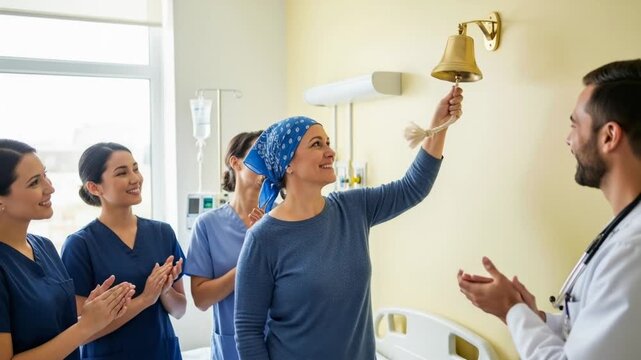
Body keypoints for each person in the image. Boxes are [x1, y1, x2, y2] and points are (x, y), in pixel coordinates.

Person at [234, 86, 463, 359]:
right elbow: (248, 332)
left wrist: (438, 126)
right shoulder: (264, 239)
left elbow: (413, 187)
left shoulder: (353, 209)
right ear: (288, 165)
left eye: (327, 142)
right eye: (316, 144)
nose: (330, 152)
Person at [457, 59, 641, 359]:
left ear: (608, 136)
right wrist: (532, 317)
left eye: (574, 125)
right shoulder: (626, 229)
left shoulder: (632, 250)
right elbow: (590, 337)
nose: (569, 139)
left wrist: (512, 309)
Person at [0, 139, 135, 360]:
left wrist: (95, 313)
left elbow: (57, 332)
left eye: (45, 175)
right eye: (35, 182)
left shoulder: (44, 247)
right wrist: (85, 327)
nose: (50, 188)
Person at [61, 142, 187, 360]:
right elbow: (80, 334)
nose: (135, 178)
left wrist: (164, 291)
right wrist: (145, 299)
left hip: (162, 352)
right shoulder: (80, 245)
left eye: (136, 169)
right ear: (94, 187)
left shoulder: (162, 233)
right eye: (122, 173)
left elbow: (179, 310)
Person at [185, 130, 265, 360]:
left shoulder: (282, 218)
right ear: (236, 162)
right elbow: (201, 299)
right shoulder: (208, 225)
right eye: (260, 153)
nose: (269, 164)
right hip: (232, 348)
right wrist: (247, 262)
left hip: (282, 344)